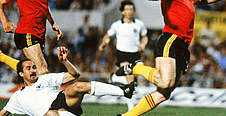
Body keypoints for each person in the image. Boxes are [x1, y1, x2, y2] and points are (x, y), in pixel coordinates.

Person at [115, 0, 226, 115]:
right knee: (165, 82)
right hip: (171, 39)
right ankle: (135, 67)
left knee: (164, 93)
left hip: (183, 46)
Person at [0, 47, 135, 116]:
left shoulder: (45, 79)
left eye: (34, 67)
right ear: (21, 73)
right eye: (28, 68)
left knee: (78, 86)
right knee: (51, 114)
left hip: (61, 100)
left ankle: (124, 90)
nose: (33, 70)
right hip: (50, 113)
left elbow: (74, 75)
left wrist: (65, 61)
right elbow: (4, 113)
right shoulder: (17, 96)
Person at [98, 0, 148, 110]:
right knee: (130, 82)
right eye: (127, 9)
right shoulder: (117, 25)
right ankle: (131, 109)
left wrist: (143, 44)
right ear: (123, 12)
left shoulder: (139, 24)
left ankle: (115, 77)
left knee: (133, 82)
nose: (129, 11)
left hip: (135, 54)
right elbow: (107, 36)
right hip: (122, 54)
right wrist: (103, 43)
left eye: (131, 9)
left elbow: (144, 36)